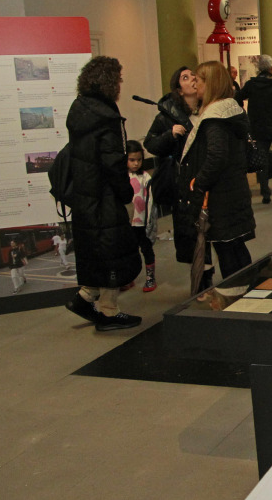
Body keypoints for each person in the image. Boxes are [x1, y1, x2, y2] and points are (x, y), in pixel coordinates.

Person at [63, 56, 143, 332]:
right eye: (118, 79)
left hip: (85, 194)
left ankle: (85, 298)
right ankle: (109, 312)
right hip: (105, 195)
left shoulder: (80, 109)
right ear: (110, 82)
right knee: (113, 250)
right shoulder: (106, 116)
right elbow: (112, 162)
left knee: (97, 249)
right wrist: (125, 195)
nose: (120, 84)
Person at [178, 61, 256, 283]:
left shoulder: (215, 118)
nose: (195, 84)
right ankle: (247, 295)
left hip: (220, 196)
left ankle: (240, 300)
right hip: (232, 191)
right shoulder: (230, 110)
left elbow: (216, 157)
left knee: (228, 251)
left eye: (198, 80)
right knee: (235, 248)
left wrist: (198, 182)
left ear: (210, 83)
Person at [143, 66, 197, 219]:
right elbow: (150, 144)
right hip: (181, 183)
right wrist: (170, 135)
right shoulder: (167, 116)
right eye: (185, 77)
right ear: (179, 90)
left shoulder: (206, 110)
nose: (193, 78)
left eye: (193, 75)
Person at [238, 54, 272, 204]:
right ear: (271, 68)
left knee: (262, 162)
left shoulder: (251, 85)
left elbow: (238, 97)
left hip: (259, 129)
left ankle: (265, 193)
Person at [125, 140, 156, 293]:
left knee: (146, 248)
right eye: (132, 160)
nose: (136, 163)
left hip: (142, 221)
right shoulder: (121, 177)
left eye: (139, 160)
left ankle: (150, 278)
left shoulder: (145, 177)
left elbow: (150, 201)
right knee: (128, 250)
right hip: (127, 222)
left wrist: (149, 221)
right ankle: (128, 277)